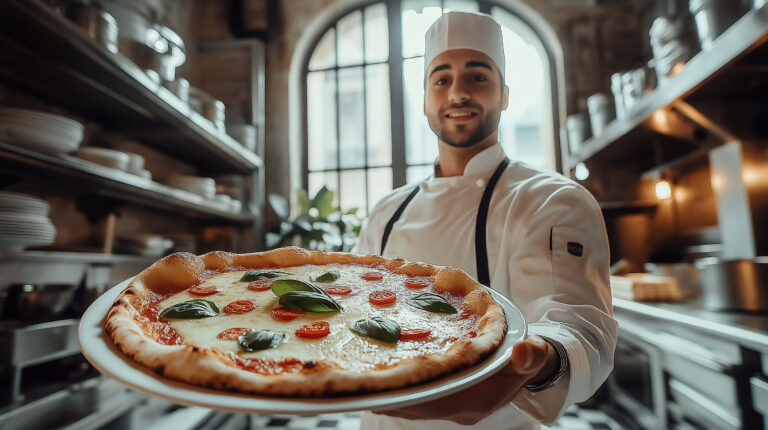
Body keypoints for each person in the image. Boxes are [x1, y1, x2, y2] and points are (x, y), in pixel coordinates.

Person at [351, 11, 618, 430]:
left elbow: (577, 326)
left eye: (477, 77)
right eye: (441, 79)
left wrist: (540, 360)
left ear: (505, 94)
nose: (458, 92)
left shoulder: (552, 199)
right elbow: (352, 311)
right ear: (424, 99)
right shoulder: (387, 211)